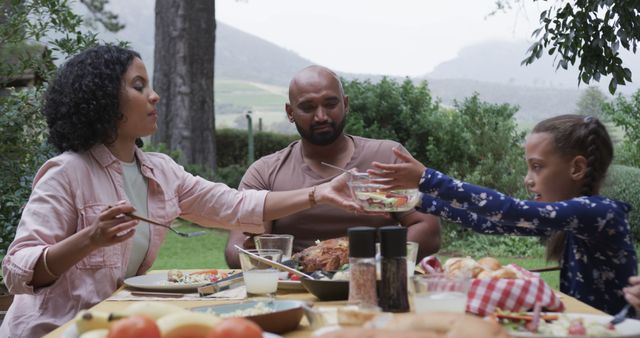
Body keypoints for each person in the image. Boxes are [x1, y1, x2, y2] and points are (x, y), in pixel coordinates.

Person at [0, 46, 360, 337]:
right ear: (104, 100)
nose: (154, 96)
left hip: (118, 327)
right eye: (139, 86)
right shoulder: (67, 172)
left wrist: (319, 193)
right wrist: (90, 239)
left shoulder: (160, 171)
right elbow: (17, 271)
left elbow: (235, 205)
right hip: (53, 330)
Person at [370, 114, 637, 315]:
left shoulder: (600, 212)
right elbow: (489, 223)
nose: (528, 180)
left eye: (537, 167)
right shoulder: (573, 219)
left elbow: (507, 210)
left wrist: (428, 178)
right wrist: (413, 200)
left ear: (577, 168)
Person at [224, 65, 441, 268]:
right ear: (290, 112)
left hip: (377, 285)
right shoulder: (266, 172)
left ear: (345, 104)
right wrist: (255, 250)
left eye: (330, 104)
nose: (321, 116)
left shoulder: (386, 158)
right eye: (308, 107)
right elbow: (235, 252)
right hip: (294, 287)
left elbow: (428, 230)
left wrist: (366, 264)